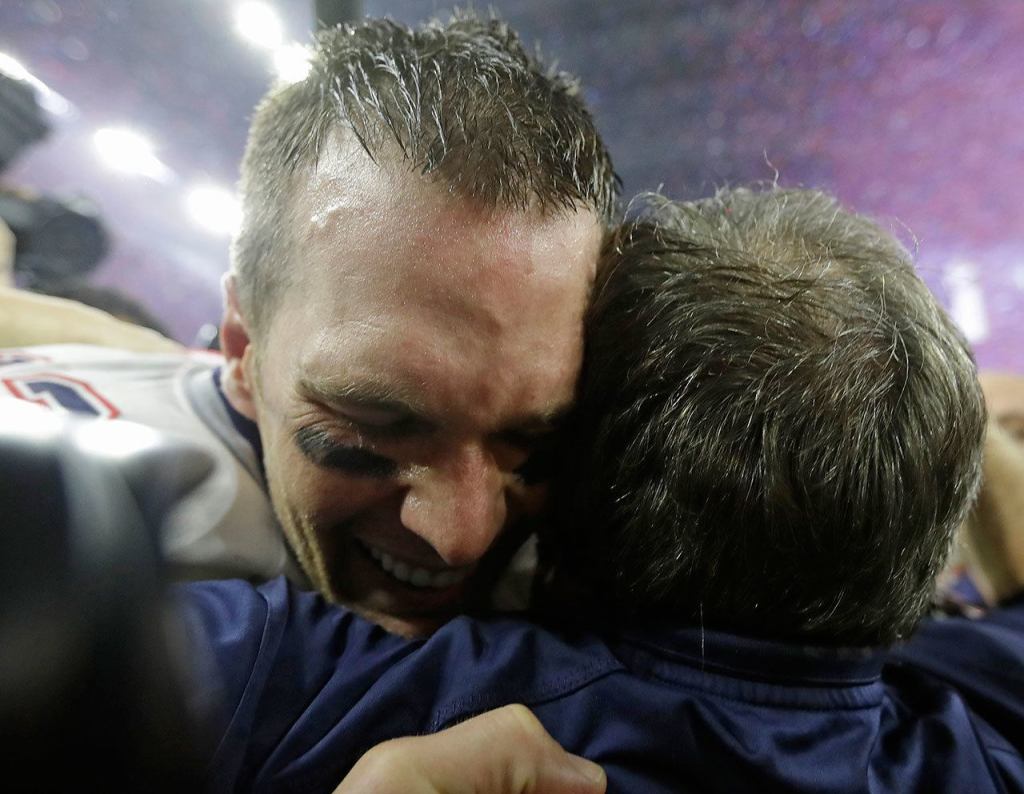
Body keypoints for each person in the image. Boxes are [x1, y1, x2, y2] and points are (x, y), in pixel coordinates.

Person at [182, 187, 1023, 792]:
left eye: (528, 438)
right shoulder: (975, 730)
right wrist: (933, 409)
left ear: (581, 478)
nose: (461, 529)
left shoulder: (323, 687)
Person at [0, 12, 616, 635]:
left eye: (531, 445)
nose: (462, 536)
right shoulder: (79, 522)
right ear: (242, 349)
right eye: (378, 423)